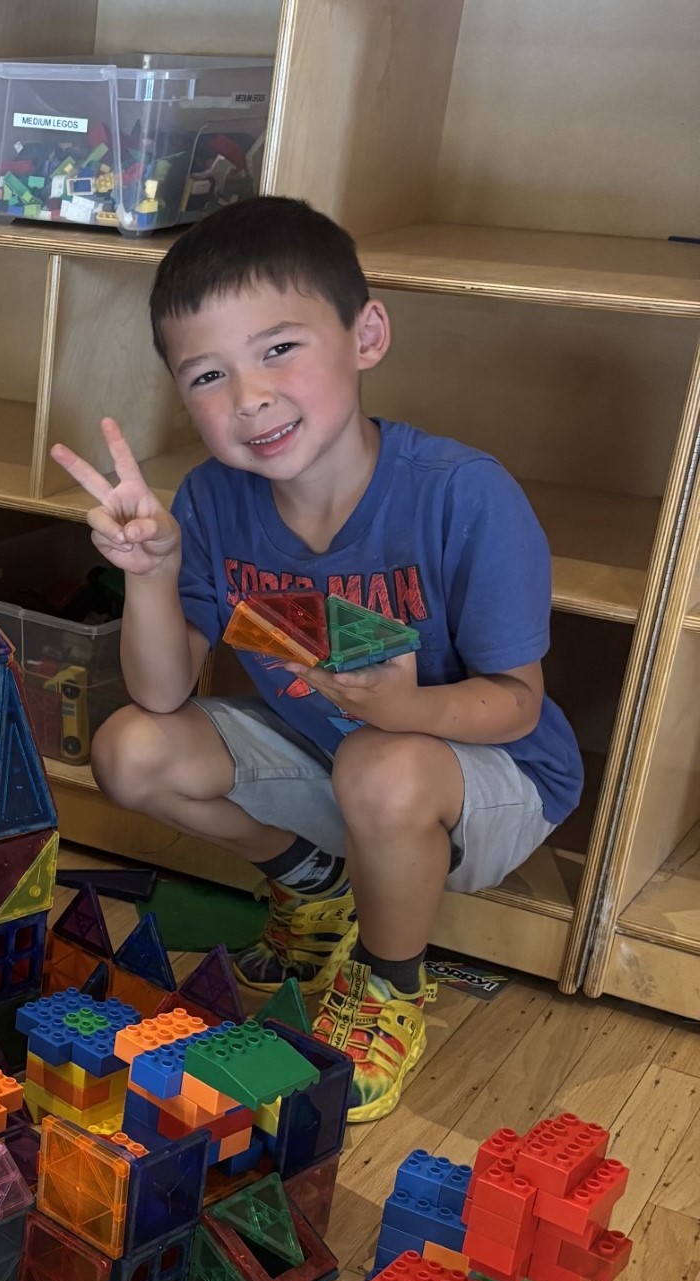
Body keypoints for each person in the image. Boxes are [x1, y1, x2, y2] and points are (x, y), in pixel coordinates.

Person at [50, 196, 581, 1121]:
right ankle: (316, 883)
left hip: (492, 776)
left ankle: (388, 988)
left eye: (279, 349)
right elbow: (162, 691)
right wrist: (153, 572)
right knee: (131, 747)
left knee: (380, 760)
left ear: (366, 334)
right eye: (207, 375)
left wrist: (405, 712)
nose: (248, 397)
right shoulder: (216, 499)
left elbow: (518, 704)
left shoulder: (465, 495)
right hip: (342, 766)